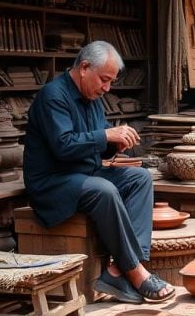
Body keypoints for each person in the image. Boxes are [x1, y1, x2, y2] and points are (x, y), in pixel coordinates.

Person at [24, 41, 174, 303]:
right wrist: (105, 135)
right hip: (52, 183)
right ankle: (136, 272)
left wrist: (115, 142)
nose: (107, 88)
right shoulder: (53, 96)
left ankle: (118, 270)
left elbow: (97, 148)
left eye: (111, 82)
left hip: (84, 175)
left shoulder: (92, 96)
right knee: (104, 190)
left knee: (140, 178)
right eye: (104, 79)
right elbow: (63, 147)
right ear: (84, 68)